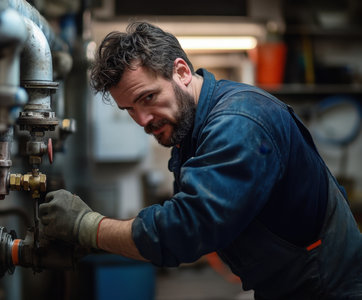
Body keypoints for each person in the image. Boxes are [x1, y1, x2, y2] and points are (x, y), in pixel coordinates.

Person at [39, 21, 362, 298]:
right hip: (288, 285)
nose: (142, 120)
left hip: (326, 288)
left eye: (148, 98)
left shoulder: (239, 122)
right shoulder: (193, 124)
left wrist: (87, 227)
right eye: (130, 110)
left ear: (181, 71)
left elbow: (185, 229)